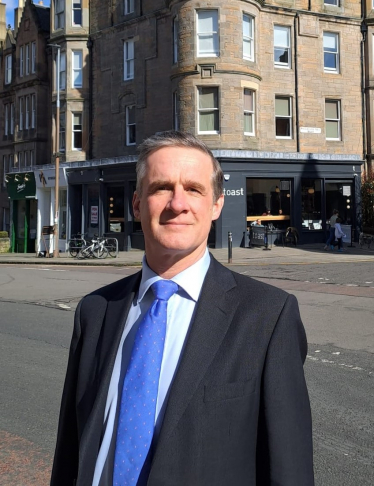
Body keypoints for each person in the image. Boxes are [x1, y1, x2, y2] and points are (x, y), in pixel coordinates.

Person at [51, 131, 314, 486]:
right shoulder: (95, 311)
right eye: (161, 188)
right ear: (137, 204)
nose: (177, 203)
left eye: (193, 189)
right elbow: (70, 449)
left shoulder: (268, 315)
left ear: (216, 205)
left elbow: (289, 467)